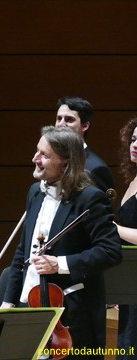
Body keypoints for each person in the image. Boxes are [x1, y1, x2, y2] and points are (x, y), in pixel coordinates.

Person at [0, 126, 122, 358]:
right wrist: (9, 301)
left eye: (44, 155)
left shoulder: (90, 198)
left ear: (66, 163)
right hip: (31, 304)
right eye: (37, 152)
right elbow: (23, 252)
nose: (34, 159)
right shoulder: (35, 192)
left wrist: (61, 263)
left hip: (72, 314)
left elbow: (110, 251)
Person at [55, 96, 115, 195]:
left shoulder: (96, 168)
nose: (61, 124)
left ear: (85, 126)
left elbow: (100, 208)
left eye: (69, 120)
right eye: (59, 119)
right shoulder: (51, 161)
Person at [112, 117, 137, 358]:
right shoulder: (132, 180)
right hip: (131, 280)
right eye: (134, 138)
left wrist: (113, 229)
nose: (135, 144)